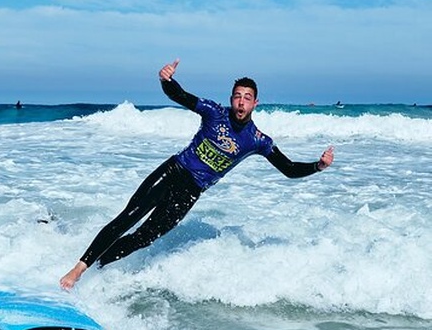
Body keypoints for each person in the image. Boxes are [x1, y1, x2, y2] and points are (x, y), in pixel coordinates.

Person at [59, 59, 335, 290]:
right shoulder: (214, 113)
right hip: (172, 172)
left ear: (255, 103)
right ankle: (78, 270)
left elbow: (288, 169)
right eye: (237, 96)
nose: (241, 102)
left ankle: (99, 266)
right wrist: (166, 81)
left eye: (247, 98)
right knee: (127, 218)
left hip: (191, 191)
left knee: (145, 237)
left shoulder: (258, 140)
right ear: (231, 99)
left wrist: (317, 166)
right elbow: (180, 96)